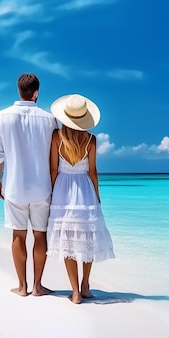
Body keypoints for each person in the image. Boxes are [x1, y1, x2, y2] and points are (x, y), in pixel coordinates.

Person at [0, 73, 58, 297]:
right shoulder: (49, 119)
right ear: (36, 93)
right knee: (40, 236)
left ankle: (22, 287)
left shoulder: (2, 116)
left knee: (18, 236)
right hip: (42, 187)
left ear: (19, 91)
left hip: (14, 186)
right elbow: (53, 157)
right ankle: (38, 286)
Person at [47, 94, 115, 304]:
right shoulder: (91, 139)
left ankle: (75, 292)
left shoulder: (57, 137)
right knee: (87, 239)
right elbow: (93, 170)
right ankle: (86, 286)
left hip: (63, 189)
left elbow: (53, 169)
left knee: (68, 239)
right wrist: (97, 193)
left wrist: (51, 192)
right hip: (85, 188)